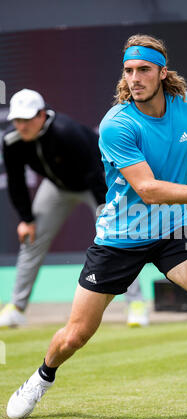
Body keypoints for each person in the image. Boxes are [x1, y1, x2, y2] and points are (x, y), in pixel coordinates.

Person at [6, 35, 187, 419]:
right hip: (120, 237)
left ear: (163, 73)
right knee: (76, 335)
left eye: (144, 70)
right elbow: (148, 190)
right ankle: (41, 378)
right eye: (129, 71)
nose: (135, 78)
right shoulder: (116, 124)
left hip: (173, 231)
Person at [0, 88, 147, 329]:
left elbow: (95, 173)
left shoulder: (67, 133)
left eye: (27, 120)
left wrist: (108, 210)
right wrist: (26, 219)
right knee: (31, 237)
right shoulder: (12, 141)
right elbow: (16, 181)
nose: (22, 126)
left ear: (41, 115)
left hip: (96, 184)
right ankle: (16, 307)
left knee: (118, 240)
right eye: (17, 120)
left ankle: (136, 305)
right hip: (57, 187)